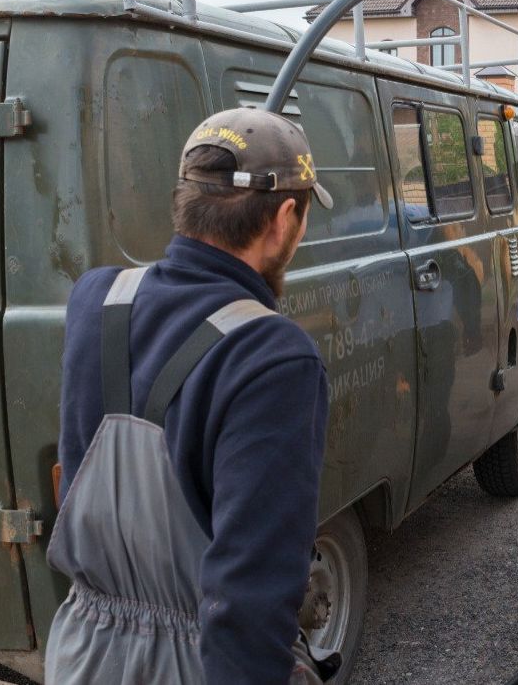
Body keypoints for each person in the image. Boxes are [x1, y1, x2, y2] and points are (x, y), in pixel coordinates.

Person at [45, 108, 336, 684]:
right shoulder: (274, 357)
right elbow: (248, 596)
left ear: (185, 200)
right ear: (283, 219)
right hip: (195, 664)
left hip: (79, 650)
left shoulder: (96, 299)